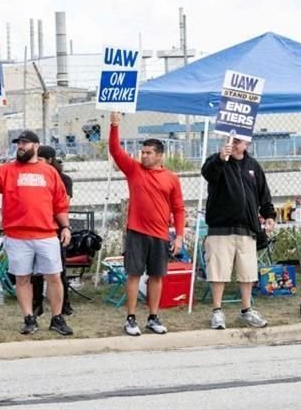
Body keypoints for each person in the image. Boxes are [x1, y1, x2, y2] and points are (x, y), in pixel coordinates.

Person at [0, 130, 73, 336]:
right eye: (18, 143)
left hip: (47, 234)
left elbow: (60, 203)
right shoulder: (7, 169)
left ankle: (57, 318)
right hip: (17, 235)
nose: (20, 146)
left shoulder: (49, 172)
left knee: (54, 277)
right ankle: (29, 318)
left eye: (25, 143)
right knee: (22, 279)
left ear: (36, 146)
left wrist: (65, 227)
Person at [109, 113, 185, 336]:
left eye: (148, 153)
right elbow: (115, 150)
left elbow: (179, 208)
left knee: (157, 276)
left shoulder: (171, 178)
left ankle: (153, 316)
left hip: (160, 235)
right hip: (137, 232)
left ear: (160, 155)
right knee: (133, 274)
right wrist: (114, 125)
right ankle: (131, 318)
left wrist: (178, 236)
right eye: (142, 152)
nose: (143, 156)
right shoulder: (134, 170)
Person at [202, 136, 276, 329]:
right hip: (220, 228)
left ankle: (246, 309)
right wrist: (220, 158)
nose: (234, 145)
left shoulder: (253, 166)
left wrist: (269, 215)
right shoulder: (216, 161)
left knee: (247, 272)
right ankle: (217, 311)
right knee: (218, 271)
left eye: (238, 142)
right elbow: (208, 174)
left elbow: (263, 194)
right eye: (231, 141)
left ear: (247, 144)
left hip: (247, 228)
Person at [31, 145, 73, 317]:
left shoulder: (64, 179)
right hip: (37, 227)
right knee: (35, 271)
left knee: (58, 269)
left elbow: (64, 203)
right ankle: (37, 305)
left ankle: (65, 306)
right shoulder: (35, 176)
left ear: (48, 160)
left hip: (55, 228)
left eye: (39, 160)